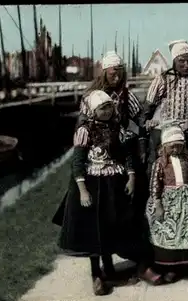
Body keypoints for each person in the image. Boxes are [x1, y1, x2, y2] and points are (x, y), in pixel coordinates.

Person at [75, 51, 163, 285]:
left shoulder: (126, 96)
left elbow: (140, 120)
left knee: (130, 211)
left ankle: (142, 262)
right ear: (104, 72)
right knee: (100, 217)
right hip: (97, 161)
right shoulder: (90, 97)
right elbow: (82, 127)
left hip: (125, 155)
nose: (117, 76)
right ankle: (101, 271)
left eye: (120, 72)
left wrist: (143, 138)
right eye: (113, 72)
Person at [55, 90, 138, 295]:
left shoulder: (118, 129)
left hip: (113, 183)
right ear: (93, 111)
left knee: (111, 225)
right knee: (94, 229)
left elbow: (127, 155)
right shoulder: (84, 131)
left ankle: (109, 268)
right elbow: (78, 162)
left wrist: (132, 177)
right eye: (103, 108)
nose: (107, 111)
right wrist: (82, 191)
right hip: (93, 183)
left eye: (109, 106)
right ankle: (96, 274)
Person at [143, 39, 188, 215]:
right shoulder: (163, 80)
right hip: (167, 136)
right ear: (174, 62)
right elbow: (147, 109)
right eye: (181, 61)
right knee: (161, 174)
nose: (185, 65)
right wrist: (147, 121)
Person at [146, 126, 188, 284]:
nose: (175, 148)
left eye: (179, 145)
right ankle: (172, 269)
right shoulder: (160, 163)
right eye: (172, 145)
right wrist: (158, 204)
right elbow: (154, 185)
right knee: (172, 235)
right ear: (164, 146)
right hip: (170, 203)